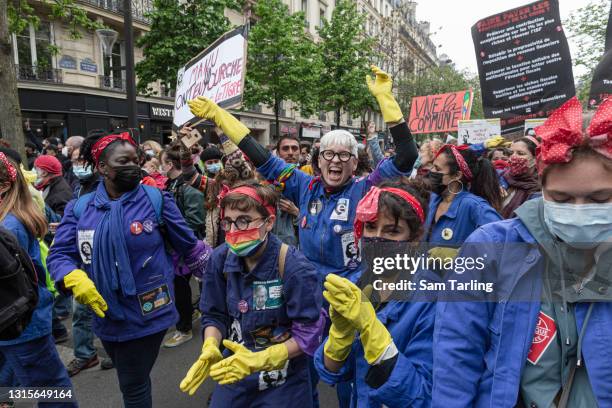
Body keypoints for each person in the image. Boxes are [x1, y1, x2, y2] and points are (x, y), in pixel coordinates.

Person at [431, 97, 612, 407]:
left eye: (599, 198)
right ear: (541, 186)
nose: (579, 212)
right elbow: (456, 356)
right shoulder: (491, 248)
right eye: (562, 198)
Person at [187, 66, 418, 283]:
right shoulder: (304, 185)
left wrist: (385, 99)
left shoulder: (367, 188)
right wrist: (220, 116)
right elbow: (261, 156)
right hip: (307, 293)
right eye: (328, 154)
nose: (335, 160)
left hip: (352, 296)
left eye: (344, 155)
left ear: (355, 163)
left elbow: (407, 155)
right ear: (318, 160)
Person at [48, 131, 212, 408]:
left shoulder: (156, 200)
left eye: (136, 160)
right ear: (102, 167)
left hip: (150, 314)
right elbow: (59, 254)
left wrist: (221, 274)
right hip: (104, 314)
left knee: (133, 384)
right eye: (124, 161)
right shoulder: (80, 208)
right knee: (133, 378)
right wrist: (72, 276)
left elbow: (190, 245)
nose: (133, 167)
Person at [179, 182, 324, 407]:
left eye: (244, 220)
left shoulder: (294, 267)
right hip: (234, 374)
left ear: (269, 222)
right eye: (228, 222)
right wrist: (210, 345)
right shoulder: (219, 259)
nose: (235, 230)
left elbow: (309, 332)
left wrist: (266, 358)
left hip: (283, 382)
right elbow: (214, 314)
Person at [315, 179, 435, 407]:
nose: (377, 239)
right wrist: (340, 335)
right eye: (370, 227)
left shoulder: (431, 299)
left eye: (392, 231)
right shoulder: (358, 283)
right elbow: (330, 372)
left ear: (414, 240)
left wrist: (374, 333)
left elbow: (422, 396)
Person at [0, 152, 77, 407]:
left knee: (53, 392)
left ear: (4, 186)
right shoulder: (11, 218)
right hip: (24, 322)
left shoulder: (8, 227)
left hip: (22, 325)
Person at [160, 143, 206, 348]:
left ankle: (184, 328)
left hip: (185, 249)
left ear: (169, 164)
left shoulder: (187, 187)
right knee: (181, 287)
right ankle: (190, 314)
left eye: (161, 164)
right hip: (176, 247)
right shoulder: (171, 185)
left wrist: (174, 234)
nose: (159, 168)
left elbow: (195, 220)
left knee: (180, 288)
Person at [424, 144, 502, 250]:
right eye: (433, 166)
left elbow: (504, 243)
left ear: (457, 175)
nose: (431, 171)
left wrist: (460, 255)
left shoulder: (475, 206)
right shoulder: (433, 199)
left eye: (437, 169)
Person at [500, 137, 541, 218]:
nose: (513, 157)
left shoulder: (540, 188)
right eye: (511, 153)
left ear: (535, 159)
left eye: (520, 153)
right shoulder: (502, 178)